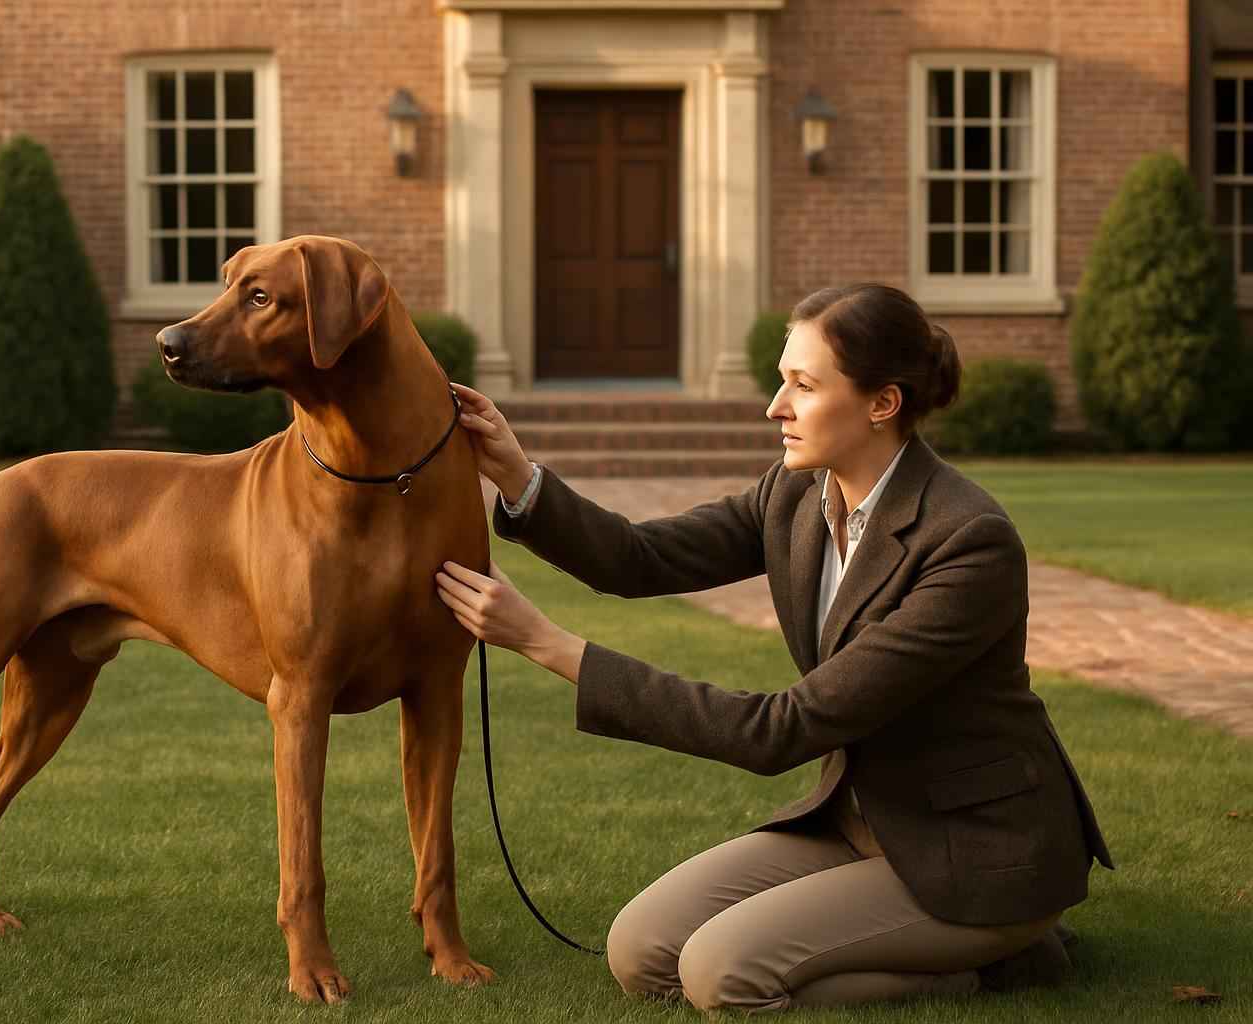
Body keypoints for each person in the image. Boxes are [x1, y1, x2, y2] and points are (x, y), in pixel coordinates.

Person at [433, 283, 1113, 1013]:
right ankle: (952, 956)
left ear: (882, 403)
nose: (775, 407)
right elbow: (638, 558)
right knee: (641, 952)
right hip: (861, 823)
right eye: (781, 381)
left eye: (803, 385)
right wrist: (514, 473)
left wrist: (545, 642)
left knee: (722, 975)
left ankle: (995, 956)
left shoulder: (967, 543)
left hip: (980, 852)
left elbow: (779, 730)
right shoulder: (794, 497)